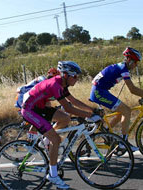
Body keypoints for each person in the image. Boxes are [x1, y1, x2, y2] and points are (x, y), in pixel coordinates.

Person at [21, 61, 99, 189]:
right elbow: (68, 107)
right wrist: (89, 115)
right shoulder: (55, 85)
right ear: (66, 75)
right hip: (30, 110)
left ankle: (46, 141)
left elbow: (73, 101)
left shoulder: (62, 84)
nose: (77, 79)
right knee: (56, 139)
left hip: (39, 107)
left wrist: (92, 110)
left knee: (65, 118)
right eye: (75, 76)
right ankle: (53, 175)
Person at [89, 47, 143, 151]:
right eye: (135, 62)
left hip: (100, 91)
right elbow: (132, 89)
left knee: (122, 111)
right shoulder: (122, 68)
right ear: (129, 60)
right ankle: (123, 143)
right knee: (126, 110)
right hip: (99, 92)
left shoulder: (122, 67)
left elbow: (133, 89)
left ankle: (105, 132)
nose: (136, 65)